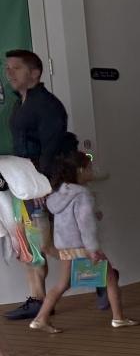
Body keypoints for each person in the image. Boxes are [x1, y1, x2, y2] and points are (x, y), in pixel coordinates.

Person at [29, 136, 139, 334]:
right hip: (82, 245)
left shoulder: (60, 193)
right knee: (110, 279)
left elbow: (68, 219)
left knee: (62, 284)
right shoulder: (83, 194)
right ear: (80, 170)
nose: (91, 171)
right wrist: (93, 249)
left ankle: (41, 318)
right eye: (89, 168)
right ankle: (118, 318)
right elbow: (85, 224)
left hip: (65, 246)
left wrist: (93, 215)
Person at [3, 49, 68, 320]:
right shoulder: (20, 104)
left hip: (40, 185)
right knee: (28, 243)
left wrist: (43, 184)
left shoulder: (47, 105)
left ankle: (102, 275)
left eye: (16, 68)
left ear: (35, 73)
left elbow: (52, 148)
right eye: (7, 68)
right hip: (23, 183)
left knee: (45, 244)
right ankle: (37, 299)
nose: (9, 73)